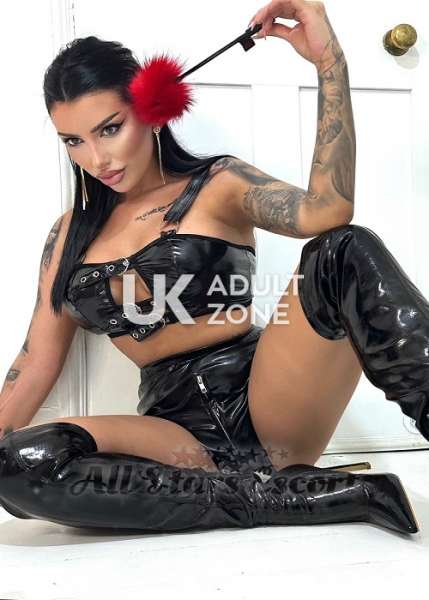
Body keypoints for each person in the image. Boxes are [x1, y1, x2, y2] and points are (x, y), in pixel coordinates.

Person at [0, 0, 426, 535]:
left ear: (151, 110)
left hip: (269, 398)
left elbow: (327, 212)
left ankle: (282, 487)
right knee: (17, 463)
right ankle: (282, 496)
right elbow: (35, 362)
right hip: (173, 436)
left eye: (109, 129)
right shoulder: (68, 236)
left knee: (342, 250)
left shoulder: (217, 184)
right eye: (73, 141)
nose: (96, 158)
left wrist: (328, 63)